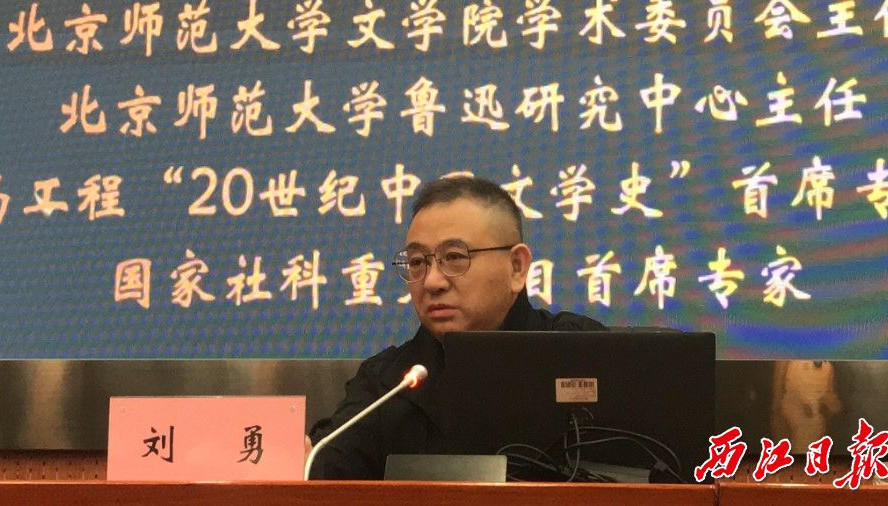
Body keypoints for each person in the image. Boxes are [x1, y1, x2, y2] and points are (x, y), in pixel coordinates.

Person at [306, 176, 606, 479]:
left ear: (517, 267)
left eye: (453, 257)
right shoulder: (387, 384)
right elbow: (320, 472)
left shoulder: (585, 354)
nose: (432, 282)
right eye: (417, 262)